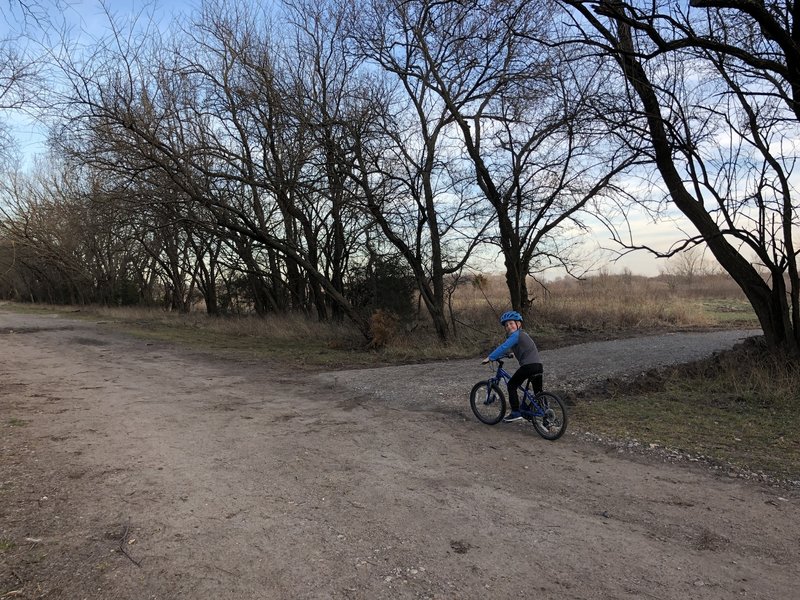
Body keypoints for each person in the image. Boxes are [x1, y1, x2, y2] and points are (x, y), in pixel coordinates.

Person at [481, 310, 543, 423]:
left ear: (518, 324)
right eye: (506, 325)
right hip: (538, 365)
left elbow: (504, 347)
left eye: (511, 323)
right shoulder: (524, 334)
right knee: (539, 393)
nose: (509, 326)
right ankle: (545, 415)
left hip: (528, 366)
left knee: (512, 385)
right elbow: (525, 348)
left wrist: (490, 357)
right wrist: (511, 354)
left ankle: (515, 412)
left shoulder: (516, 335)